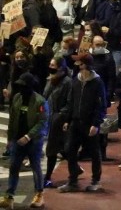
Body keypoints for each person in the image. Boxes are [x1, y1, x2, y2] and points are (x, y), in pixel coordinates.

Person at [58, 52, 107, 193]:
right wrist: (68, 119)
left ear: (85, 65)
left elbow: (102, 105)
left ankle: (96, 180)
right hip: (75, 122)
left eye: (79, 63)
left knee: (94, 152)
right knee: (69, 150)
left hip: (90, 123)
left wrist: (96, 124)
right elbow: (71, 101)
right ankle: (73, 179)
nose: (76, 65)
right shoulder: (76, 80)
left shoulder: (97, 82)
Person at [0, 73, 48, 209]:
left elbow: (42, 122)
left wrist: (28, 136)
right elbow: (12, 119)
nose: (21, 88)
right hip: (17, 140)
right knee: (14, 167)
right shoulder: (16, 98)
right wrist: (10, 139)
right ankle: (9, 197)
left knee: (35, 166)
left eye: (23, 86)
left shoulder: (40, 101)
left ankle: (39, 194)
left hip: (33, 141)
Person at [42, 56, 73, 190]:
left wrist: (62, 116)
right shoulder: (50, 80)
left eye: (53, 65)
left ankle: (47, 177)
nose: (51, 67)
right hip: (49, 117)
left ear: (61, 67)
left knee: (52, 149)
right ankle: (75, 168)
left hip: (58, 119)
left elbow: (69, 102)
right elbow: (45, 95)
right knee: (61, 148)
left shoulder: (67, 82)